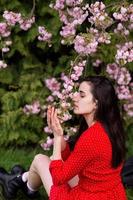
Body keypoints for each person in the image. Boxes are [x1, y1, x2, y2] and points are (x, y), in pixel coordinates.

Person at [0, 76, 127, 199]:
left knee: (40, 160)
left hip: (89, 196)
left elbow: (58, 178)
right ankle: (21, 183)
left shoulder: (92, 137)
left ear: (96, 104)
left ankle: (20, 183)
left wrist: (56, 136)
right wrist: (59, 136)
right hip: (109, 193)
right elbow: (74, 159)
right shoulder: (110, 127)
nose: (75, 97)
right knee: (52, 159)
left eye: (82, 95)